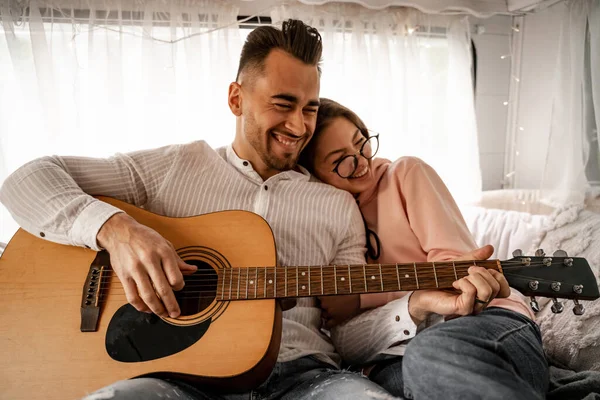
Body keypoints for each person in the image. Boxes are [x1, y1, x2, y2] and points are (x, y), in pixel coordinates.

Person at [299, 98, 549, 399]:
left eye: (361, 143)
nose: (362, 161)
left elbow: (457, 270)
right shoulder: (326, 224)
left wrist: (361, 296)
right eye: (342, 160)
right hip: (394, 355)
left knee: (429, 354)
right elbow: (345, 335)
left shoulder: (405, 174)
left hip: (484, 321)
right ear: (313, 176)